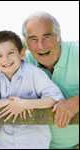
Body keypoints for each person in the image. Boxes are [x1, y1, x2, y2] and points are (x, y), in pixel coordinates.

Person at [0, 30, 64, 149]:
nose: (5, 60)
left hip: (34, 144)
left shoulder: (34, 74)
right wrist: (9, 102)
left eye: (10, 53)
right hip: (1, 145)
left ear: (21, 53)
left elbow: (55, 98)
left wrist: (24, 104)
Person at [22, 11, 79, 149]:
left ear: (58, 36)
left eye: (46, 37)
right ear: (26, 42)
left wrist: (76, 102)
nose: (41, 46)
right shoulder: (23, 64)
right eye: (33, 39)